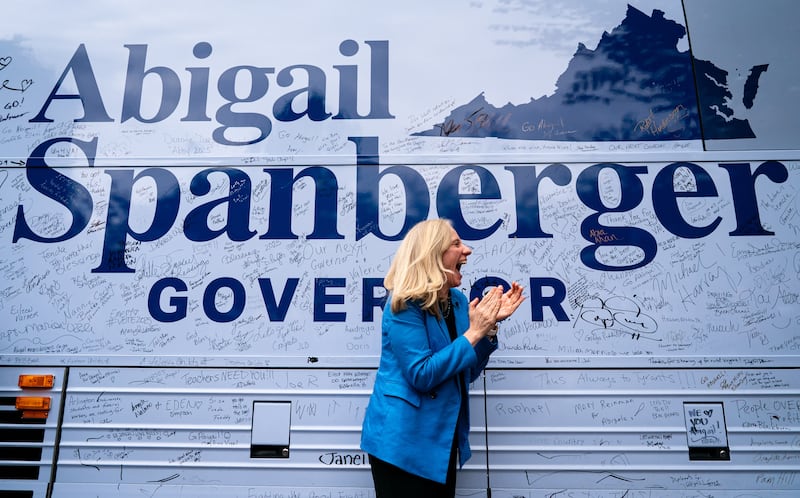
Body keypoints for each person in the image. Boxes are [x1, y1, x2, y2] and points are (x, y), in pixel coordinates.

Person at [360, 218, 525, 497]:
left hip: (441, 438)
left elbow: (465, 372)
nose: (468, 251)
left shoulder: (458, 301)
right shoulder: (404, 303)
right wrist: (474, 332)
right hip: (402, 443)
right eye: (457, 244)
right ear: (432, 253)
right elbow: (421, 375)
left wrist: (488, 330)